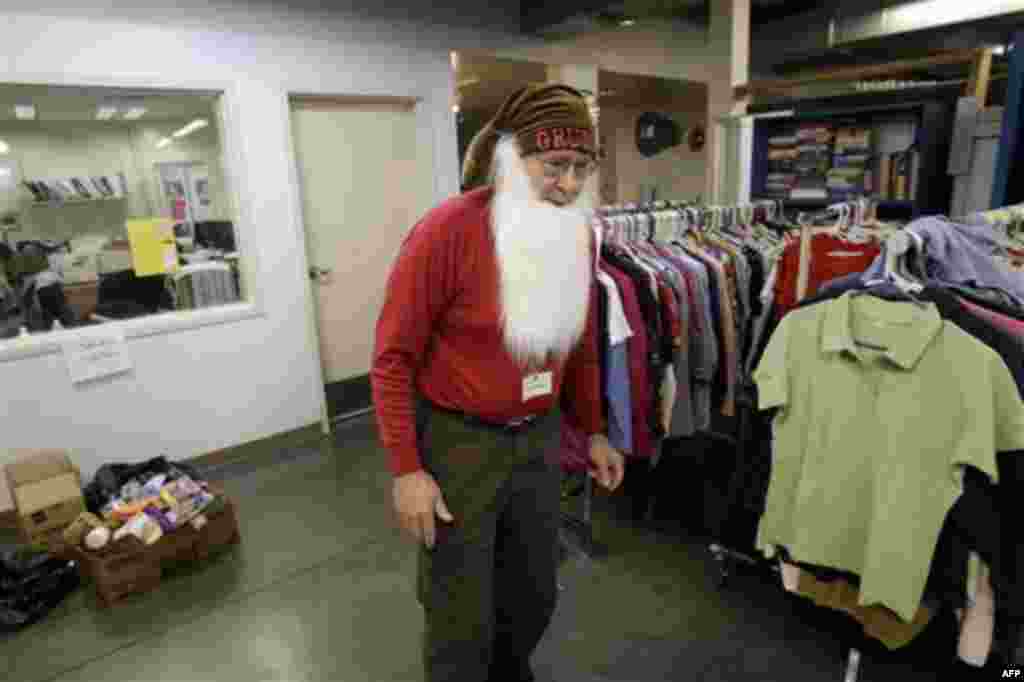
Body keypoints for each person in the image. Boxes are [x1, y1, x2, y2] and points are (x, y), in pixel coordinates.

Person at [372, 83, 626, 682]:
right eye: (554, 166)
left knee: (534, 589)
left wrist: (591, 431)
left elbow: (581, 342)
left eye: (581, 169)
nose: (568, 185)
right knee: (459, 606)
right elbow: (392, 359)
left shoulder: (578, 234)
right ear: (514, 159)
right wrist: (407, 469)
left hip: (537, 439)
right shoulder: (446, 232)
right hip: (460, 443)